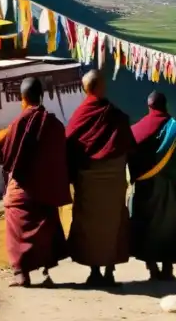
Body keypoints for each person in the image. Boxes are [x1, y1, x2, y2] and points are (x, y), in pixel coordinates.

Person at [0, 77, 71, 287]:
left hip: (22, 188)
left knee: (14, 219)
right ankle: (46, 272)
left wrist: (7, 132)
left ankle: (21, 274)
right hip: (46, 188)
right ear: (41, 96)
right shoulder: (54, 124)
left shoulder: (19, 122)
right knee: (47, 222)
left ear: (22, 98)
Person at [65, 68, 135, 286]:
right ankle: (109, 272)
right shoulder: (116, 114)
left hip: (88, 178)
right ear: (100, 87)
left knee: (90, 225)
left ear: (85, 88)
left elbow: (69, 146)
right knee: (113, 222)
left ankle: (94, 271)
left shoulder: (80, 115)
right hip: (114, 179)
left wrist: (70, 176)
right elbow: (128, 146)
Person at [127, 91, 176, 281]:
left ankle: (152, 268)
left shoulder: (135, 130)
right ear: (165, 106)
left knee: (145, 225)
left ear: (149, 106)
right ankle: (168, 269)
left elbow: (129, 158)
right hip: (169, 186)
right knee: (171, 226)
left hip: (144, 187)